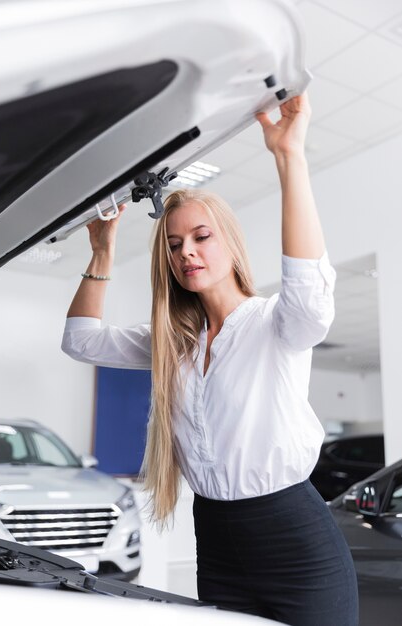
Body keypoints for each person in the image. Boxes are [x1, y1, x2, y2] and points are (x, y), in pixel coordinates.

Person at [61, 92, 359, 626]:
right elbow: (81, 340)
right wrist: (102, 252)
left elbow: (310, 290)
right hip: (217, 537)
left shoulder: (276, 324)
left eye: (201, 237)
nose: (186, 253)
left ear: (231, 246)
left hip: (293, 537)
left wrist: (290, 158)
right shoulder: (172, 341)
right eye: (173, 246)